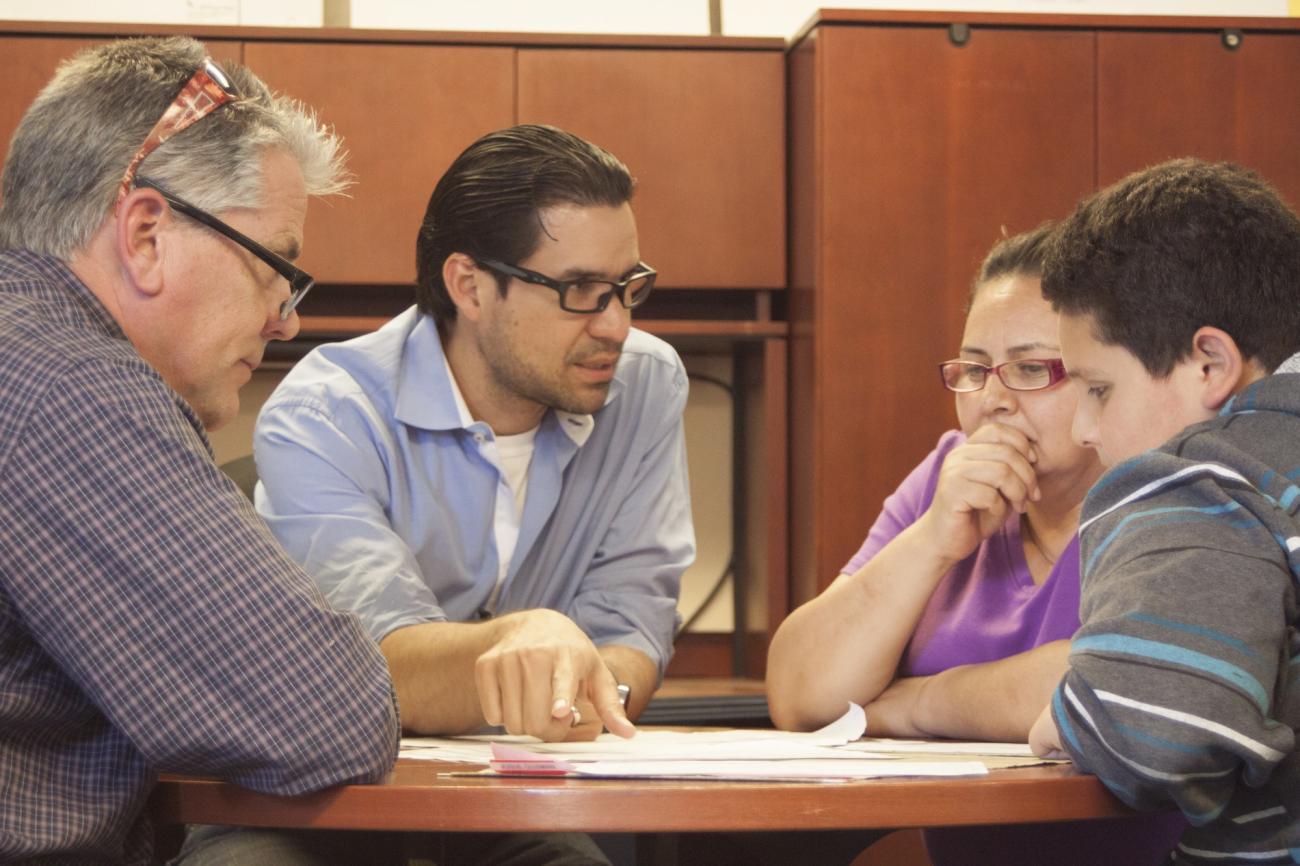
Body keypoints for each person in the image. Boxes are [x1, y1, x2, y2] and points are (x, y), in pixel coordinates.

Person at [0, 37, 399, 866]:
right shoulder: (71, 387)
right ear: (145, 233)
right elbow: (328, 714)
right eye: (275, 267)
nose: (286, 319)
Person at [253, 124, 693, 745]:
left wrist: (593, 690)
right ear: (470, 285)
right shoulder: (326, 414)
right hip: (326, 795)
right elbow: (379, 666)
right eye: (581, 292)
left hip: (517, 795)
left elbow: (631, 622)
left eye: (627, 288)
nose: (617, 326)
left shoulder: (644, 385)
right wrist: (524, 643)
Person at [765, 225, 1183, 865]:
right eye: (974, 370)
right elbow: (801, 693)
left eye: (1028, 369)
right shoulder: (950, 473)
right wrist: (933, 539)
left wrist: (913, 704)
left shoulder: (1159, 481)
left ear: (1102, 370)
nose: (992, 401)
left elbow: (1111, 677)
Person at [1029, 158, 1300, 864]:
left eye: (1097, 388)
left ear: (1210, 363)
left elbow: (1157, 731)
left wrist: (1069, 720)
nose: (1084, 431)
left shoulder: (1204, 474)